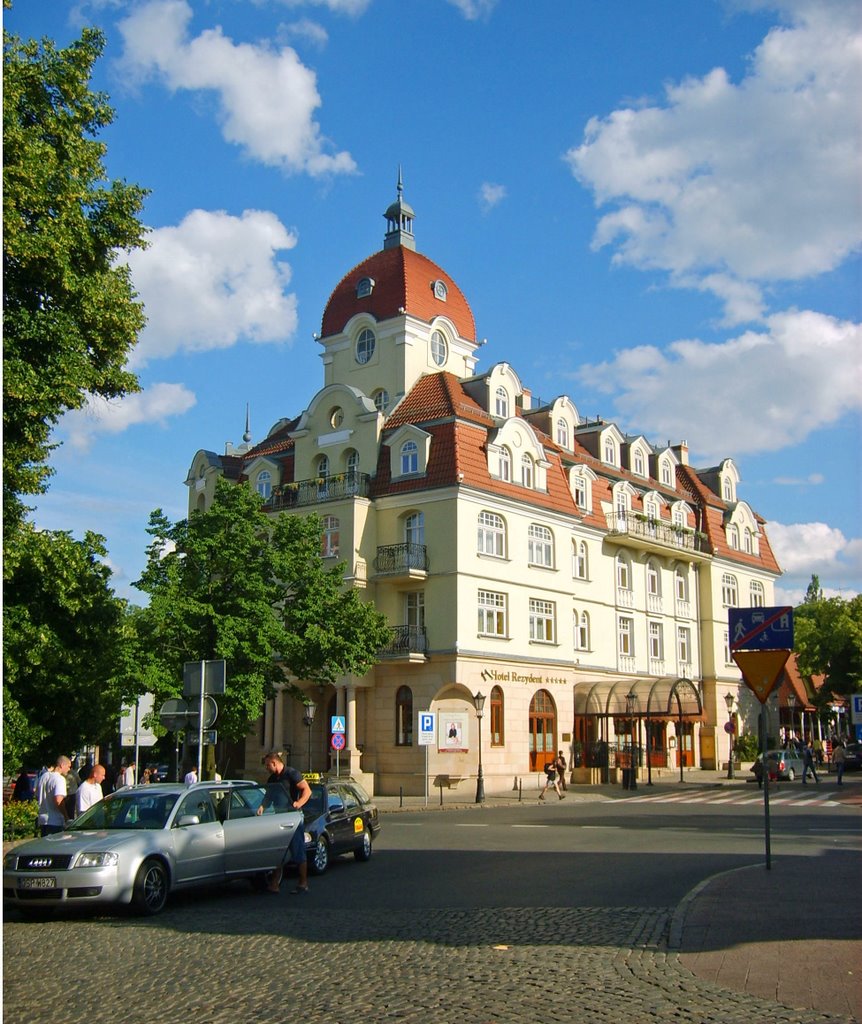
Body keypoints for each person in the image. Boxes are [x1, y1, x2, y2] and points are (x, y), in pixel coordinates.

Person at [256, 750, 312, 894]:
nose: (266, 768)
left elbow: (307, 790)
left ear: (274, 763)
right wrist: (262, 806)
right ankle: (274, 884)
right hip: (279, 817)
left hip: (293, 817)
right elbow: (268, 796)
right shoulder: (272, 779)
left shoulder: (292, 774)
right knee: (278, 850)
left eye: (268, 765)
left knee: (298, 849)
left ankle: (303, 883)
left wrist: (299, 803)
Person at [36, 756, 72, 835]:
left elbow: (37, 795)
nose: (69, 769)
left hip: (43, 819)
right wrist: (66, 817)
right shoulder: (60, 779)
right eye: (68, 766)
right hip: (55, 820)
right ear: (62, 765)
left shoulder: (43, 777)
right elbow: (58, 800)